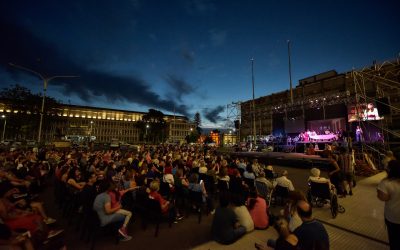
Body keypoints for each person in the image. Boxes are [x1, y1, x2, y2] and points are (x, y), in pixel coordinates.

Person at [377, 160, 400, 250]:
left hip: (393, 217)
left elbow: (383, 198)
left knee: (394, 239)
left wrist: (378, 192)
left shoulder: (386, 182)